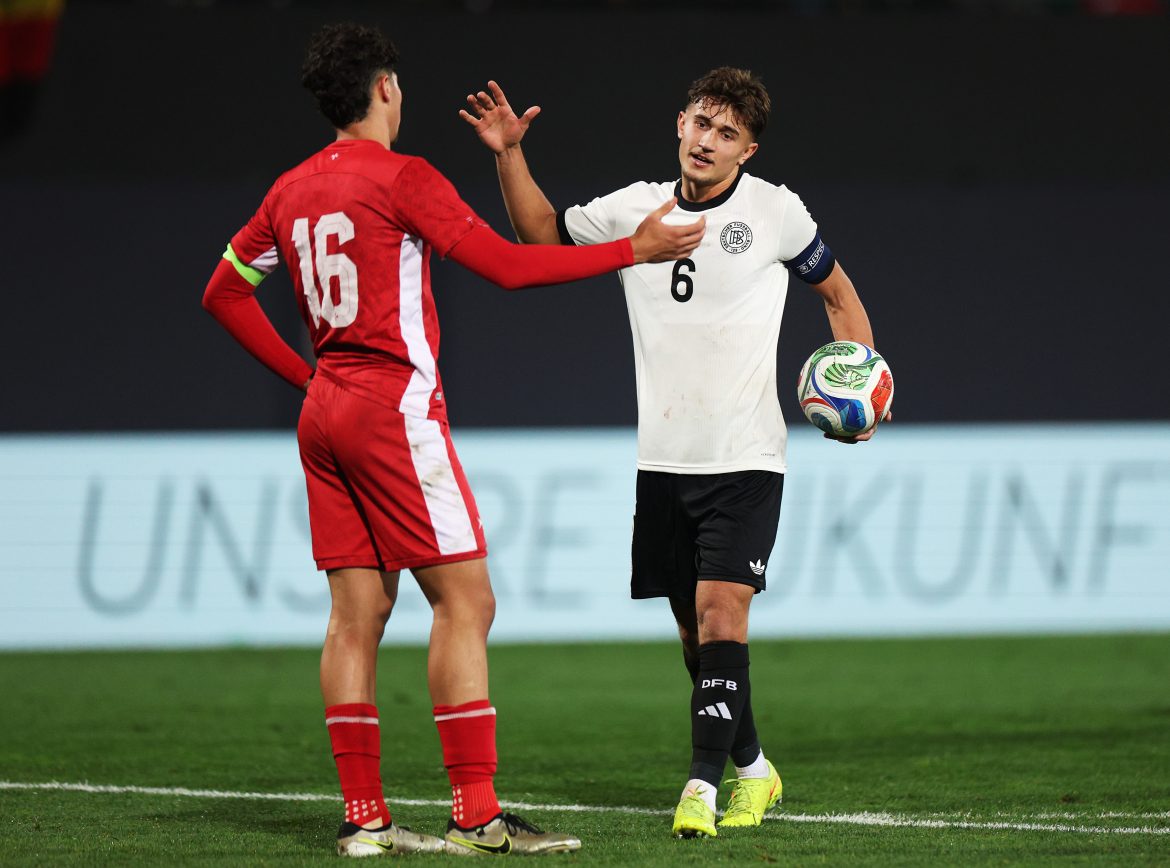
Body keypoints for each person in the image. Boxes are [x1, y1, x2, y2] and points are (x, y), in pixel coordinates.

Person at [201, 23, 703, 858]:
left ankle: (364, 820)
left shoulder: (289, 191)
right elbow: (508, 267)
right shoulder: (403, 178)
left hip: (325, 412)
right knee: (465, 601)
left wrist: (307, 378)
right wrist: (633, 250)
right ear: (386, 90)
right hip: (391, 410)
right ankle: (477, 815)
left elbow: (223, 291)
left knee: (354, 617)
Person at [461, 68, 887, 838]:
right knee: (696, 638)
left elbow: (837, 294)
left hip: (747, 459)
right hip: (663, 461)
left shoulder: (776, 212)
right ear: (679, 125)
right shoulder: (634, 208)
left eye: (726, 133)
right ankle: (754, 767)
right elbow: (541, 236)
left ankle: (700, 787)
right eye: (699, 123)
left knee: (722, 614)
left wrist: (860, 383)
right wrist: (507, 155)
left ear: (746, 150)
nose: (706, 140)